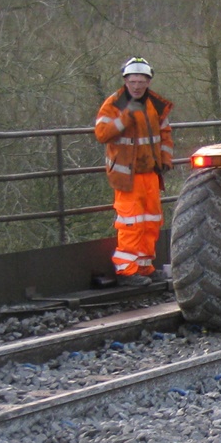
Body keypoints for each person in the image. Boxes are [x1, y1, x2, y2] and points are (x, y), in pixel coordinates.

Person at [94, 58, 174, 286]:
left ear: (148, 81)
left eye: (141, 81)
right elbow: (101, 134)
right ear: (125, 81)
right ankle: (126, 270)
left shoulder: (156, 105)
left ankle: (144, 267)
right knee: (131, 222)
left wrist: (166, 157)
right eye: (133, 81)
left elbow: (165, 133)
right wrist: (124, 119)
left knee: (151, 222)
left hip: (150, 173)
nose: (137, 85)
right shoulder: (114, 104)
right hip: (126, 176)